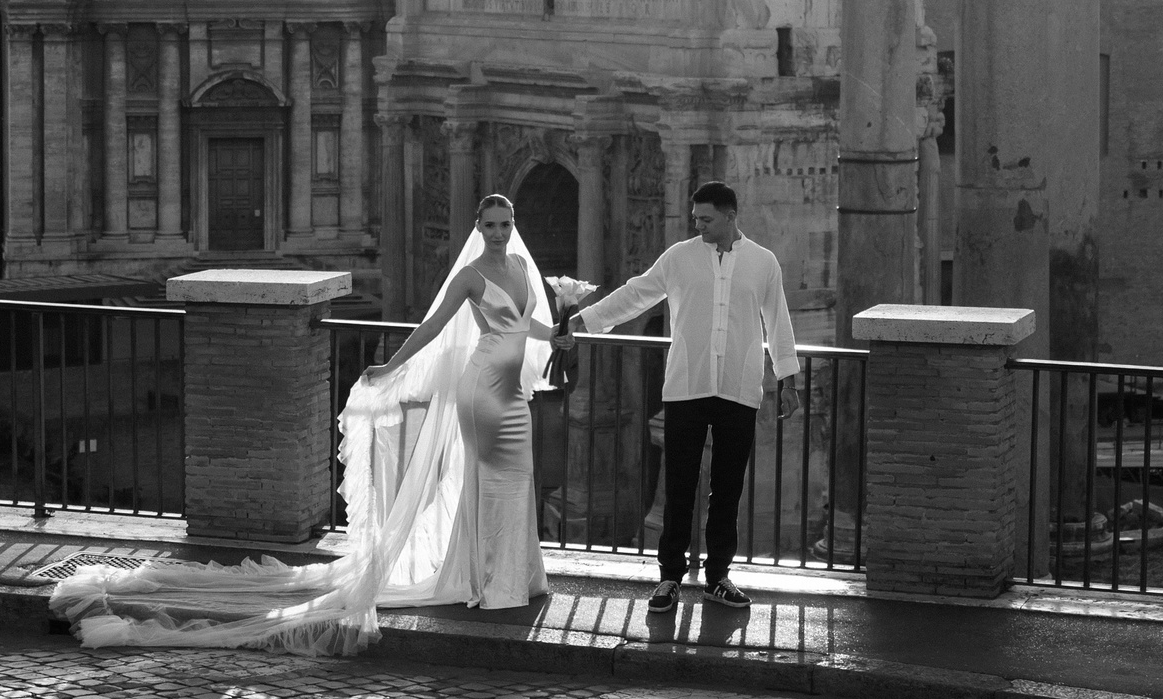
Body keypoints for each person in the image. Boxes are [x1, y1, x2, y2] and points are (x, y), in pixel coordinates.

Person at [43, 195, 552, 654]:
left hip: (511, 396)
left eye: (505, 224)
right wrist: (390, 366)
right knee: (487, 483)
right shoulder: (471, 275)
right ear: (478, 227)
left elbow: (525, 324)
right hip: (481, 391)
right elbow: (435, 326)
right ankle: (489, 581)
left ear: (513, 224)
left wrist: (560, 333)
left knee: (515, 481)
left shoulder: (522, 269)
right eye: (490, 225)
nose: (498, 233)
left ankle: (515, 577)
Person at [557, 181, 798, 613]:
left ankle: (718, 577)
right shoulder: (679, 257)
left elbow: (777, 322)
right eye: (696, 218)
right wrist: (583, 320)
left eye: (706, 218)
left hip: (739, 388)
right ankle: (669, 578)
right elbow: (636, 294)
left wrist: (788, 380)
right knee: (679, 485)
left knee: (728, 489)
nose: (698, 225)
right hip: (687, 387)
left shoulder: (764, 262)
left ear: (730, 216)